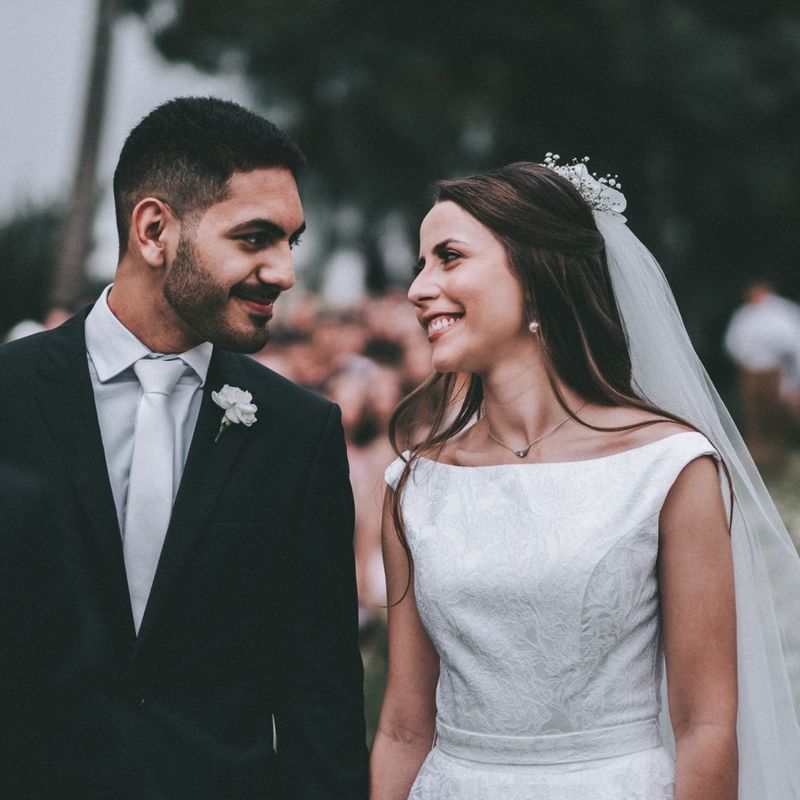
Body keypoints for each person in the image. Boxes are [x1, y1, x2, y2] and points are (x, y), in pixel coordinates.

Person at [370, 160, 800, 799]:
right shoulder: (416, 483)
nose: (418, 288)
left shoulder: (667, 466)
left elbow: (706, 722)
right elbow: (405, 727)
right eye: (420, 263)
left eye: (449, 257)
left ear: (537, 274)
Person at [0, 97, 368, 799]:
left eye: (291, 240)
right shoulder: (8, 397)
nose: (285, 271)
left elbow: (320, 694)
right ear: (154, 229)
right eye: (255, 238)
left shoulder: (298, 432)